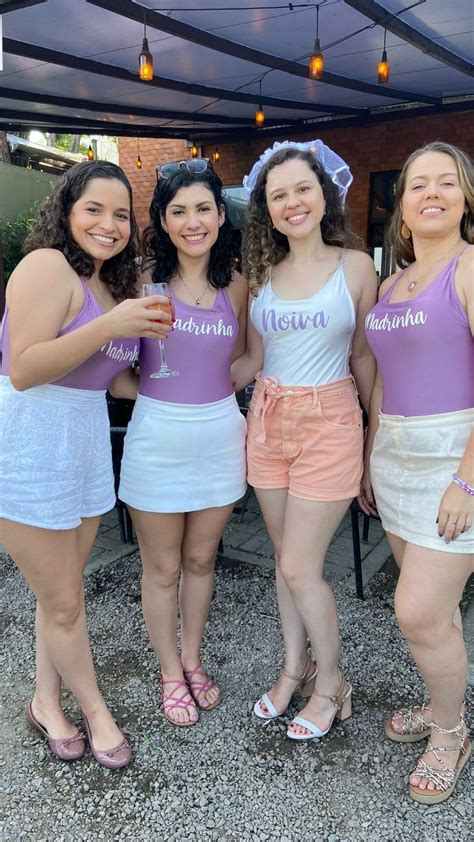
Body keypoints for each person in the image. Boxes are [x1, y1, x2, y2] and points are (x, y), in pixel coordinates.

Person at [0, 160, 171, 768]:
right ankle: (96, 711)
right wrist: (112, 325)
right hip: (30, 444)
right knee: (68, 602)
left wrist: (185, 386)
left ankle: (47, 701)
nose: (108, 223)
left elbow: (116, 381)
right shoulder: (46, 267)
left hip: (85, 443)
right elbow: (24, 368)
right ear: (67, 211)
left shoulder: (113, 288)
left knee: (60, 597)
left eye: (121, 213)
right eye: (93, 209)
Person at [232, 140, 377, 740]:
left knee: (299, 564)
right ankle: (294, 669)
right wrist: (184, 384)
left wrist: (375, 443)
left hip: (331, 421)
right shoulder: (261, 275)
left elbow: (367, 358)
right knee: (283, 561)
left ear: (324, 197)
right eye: (278, 195)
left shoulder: (356, 267)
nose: (292, 202)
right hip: (267, 420)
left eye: (302, 190)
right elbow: (253, 359)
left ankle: (331, 683)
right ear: (266, 208)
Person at [118, 159, 248, 726]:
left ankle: (192, 660)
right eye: (178, 211)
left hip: (219, 436)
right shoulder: (142, 282)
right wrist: (149, 394)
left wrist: (219, 393)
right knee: (163, 566)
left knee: (200, 559)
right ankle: (169, 671)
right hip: (157, 439)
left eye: (202, 208)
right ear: (163, 222)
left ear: (220, 215)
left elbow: (245, 359)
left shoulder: (237, 284)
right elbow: (115, 366)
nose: (192, 221)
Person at [362, 141, 473, 803]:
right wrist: (375, 454)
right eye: (418, 185)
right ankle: (442, 701)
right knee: (435, 613)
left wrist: (467, 478)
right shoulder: (389, 282)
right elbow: (382, 379)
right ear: (401, 208)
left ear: (464, 198)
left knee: (417, 611)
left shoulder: (467, 268)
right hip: (396, 457)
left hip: (452, 460)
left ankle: (452, 731)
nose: (432, 193)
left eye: (447, 182)